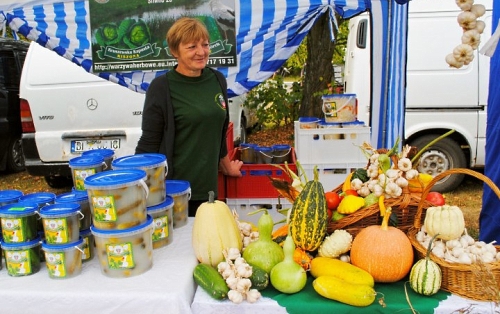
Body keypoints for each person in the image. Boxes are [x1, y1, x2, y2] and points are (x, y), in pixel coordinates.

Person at [135, 17, 243, 217]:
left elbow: (219, 132)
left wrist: (228, 167)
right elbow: (148, 143)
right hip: (174, 191)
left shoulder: (217, 80)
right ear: (175, 51)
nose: (201, 52)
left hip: (208, 188)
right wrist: (136, 188)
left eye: (205, 45)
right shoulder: (161, 88)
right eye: (192, 46)